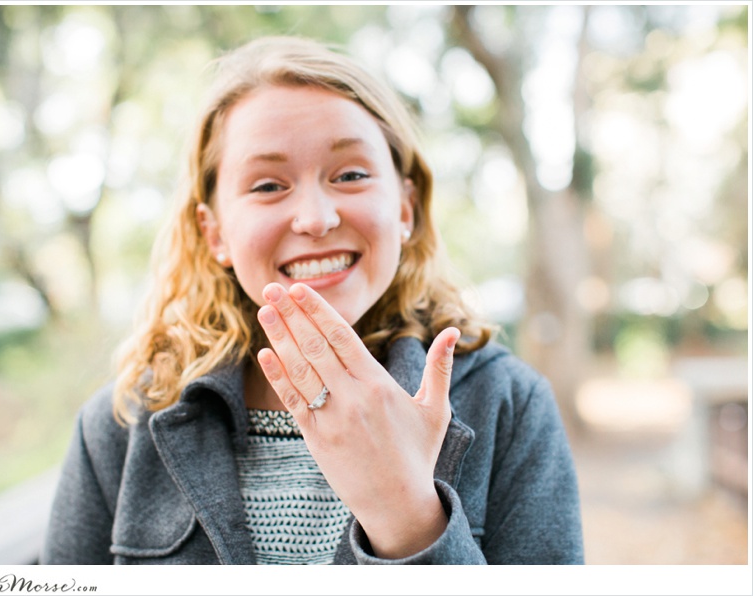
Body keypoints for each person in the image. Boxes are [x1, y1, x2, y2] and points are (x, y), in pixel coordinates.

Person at [41, 35, 584, 565]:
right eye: (268, 186)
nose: (316, 219)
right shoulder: (119, 426)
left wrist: (408, 517)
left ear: (405, 207)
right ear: (215, 234)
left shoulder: (511, 406)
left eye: (350, 175)